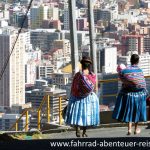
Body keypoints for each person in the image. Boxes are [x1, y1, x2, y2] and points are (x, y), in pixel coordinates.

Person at [112, 54, 148, 135]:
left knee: (129, 111)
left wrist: (127, 84)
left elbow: (122, 79)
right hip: (139, 95)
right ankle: (136, 129)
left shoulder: (124, 71)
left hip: (128, 95)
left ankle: (129, 129)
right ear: (138, 61)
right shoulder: (140, 71)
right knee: (136, 111)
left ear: (130, 60)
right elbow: (142, 84)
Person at [65, 56, 100, 137]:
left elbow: (74, 86)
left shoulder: (78, 75)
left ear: (82, 65)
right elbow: (93, 87)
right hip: (89, 98)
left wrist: (72, 96)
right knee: (87, 114)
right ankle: (84, 132)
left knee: (77, 114)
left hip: (77, 98)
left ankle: (77, 130)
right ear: (89, 65)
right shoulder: (93, 75)